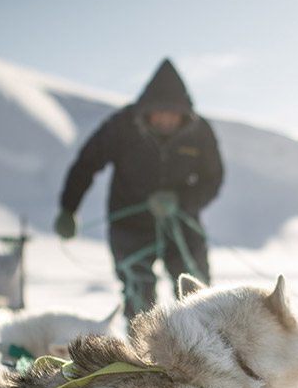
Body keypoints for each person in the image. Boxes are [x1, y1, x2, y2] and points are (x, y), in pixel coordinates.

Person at [54, 59, 224, 319]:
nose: (166, 119)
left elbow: (213, 178)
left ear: (183, 112)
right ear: (147, 109)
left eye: (173, 114)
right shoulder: (122, 126)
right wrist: (68, 208)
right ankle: (142, 356)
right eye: (160, 112)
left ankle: (205, 354)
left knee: (198, 296)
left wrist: (182, 201)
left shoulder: (199, 132)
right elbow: (86, 164)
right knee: (139, 298)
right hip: (129, 226)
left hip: (181, 225)